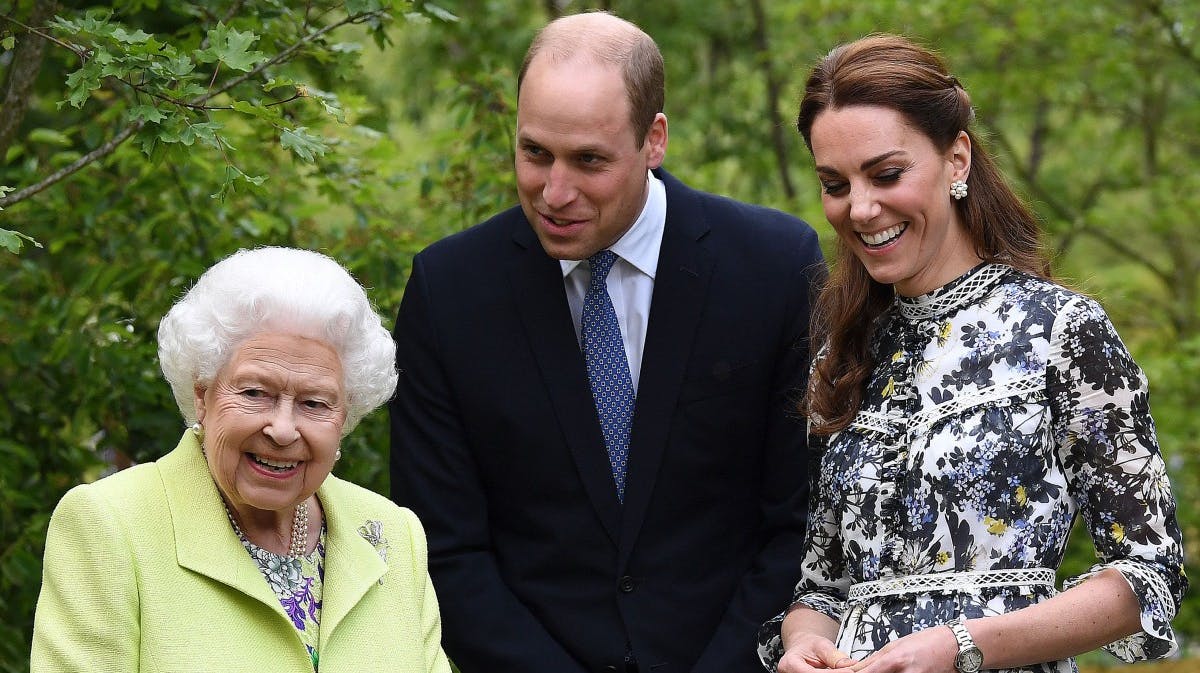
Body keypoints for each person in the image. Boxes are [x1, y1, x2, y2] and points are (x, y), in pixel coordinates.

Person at [389, 10, 825, 673]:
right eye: (534, 152)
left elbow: (800, 521)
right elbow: (441, 547)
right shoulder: (449, 291)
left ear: (654, 140)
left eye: (588, 160)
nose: (554, 192)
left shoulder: (774, 266)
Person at [757, 34, 1187, 673]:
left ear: (956, 159)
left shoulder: (1063, 331)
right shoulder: (842, 351)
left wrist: (963, 644)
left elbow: (1147, 573)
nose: (862, 208)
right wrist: (803, 644)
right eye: (835, 184)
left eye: (886, 173)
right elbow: (822, 585)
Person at [31, 247, 451, 673]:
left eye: (314, 403)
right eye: (254, 393)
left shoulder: (393, 535)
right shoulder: (110, 524)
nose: (283, 429)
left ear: (346, 414)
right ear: (202, 392)